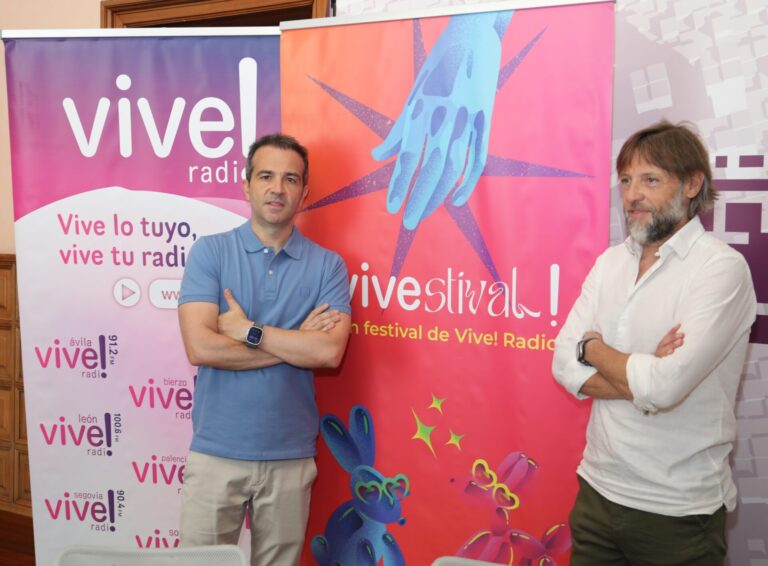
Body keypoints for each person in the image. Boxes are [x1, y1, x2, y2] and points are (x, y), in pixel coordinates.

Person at [552, 120, 756, 565]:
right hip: (597, 493)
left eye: (650, 180)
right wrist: (642, 372)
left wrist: (594, 350)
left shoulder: (721, 270)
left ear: (691, 184)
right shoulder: (610, 263)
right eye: (625, 180)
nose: (632, 194)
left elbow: (664, 388)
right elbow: (562, 364)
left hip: (678, 512)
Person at [177, 133, 352, 566]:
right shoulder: (210, 253)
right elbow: (201, 346)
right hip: (216, 451)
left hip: (290, 456)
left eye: (290, 179)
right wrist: (295, 342)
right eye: (267, 176)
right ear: (247, 184)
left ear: (303, 191)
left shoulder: (328, 265)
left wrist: (248, 331)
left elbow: (329, 354)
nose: (277, 188)